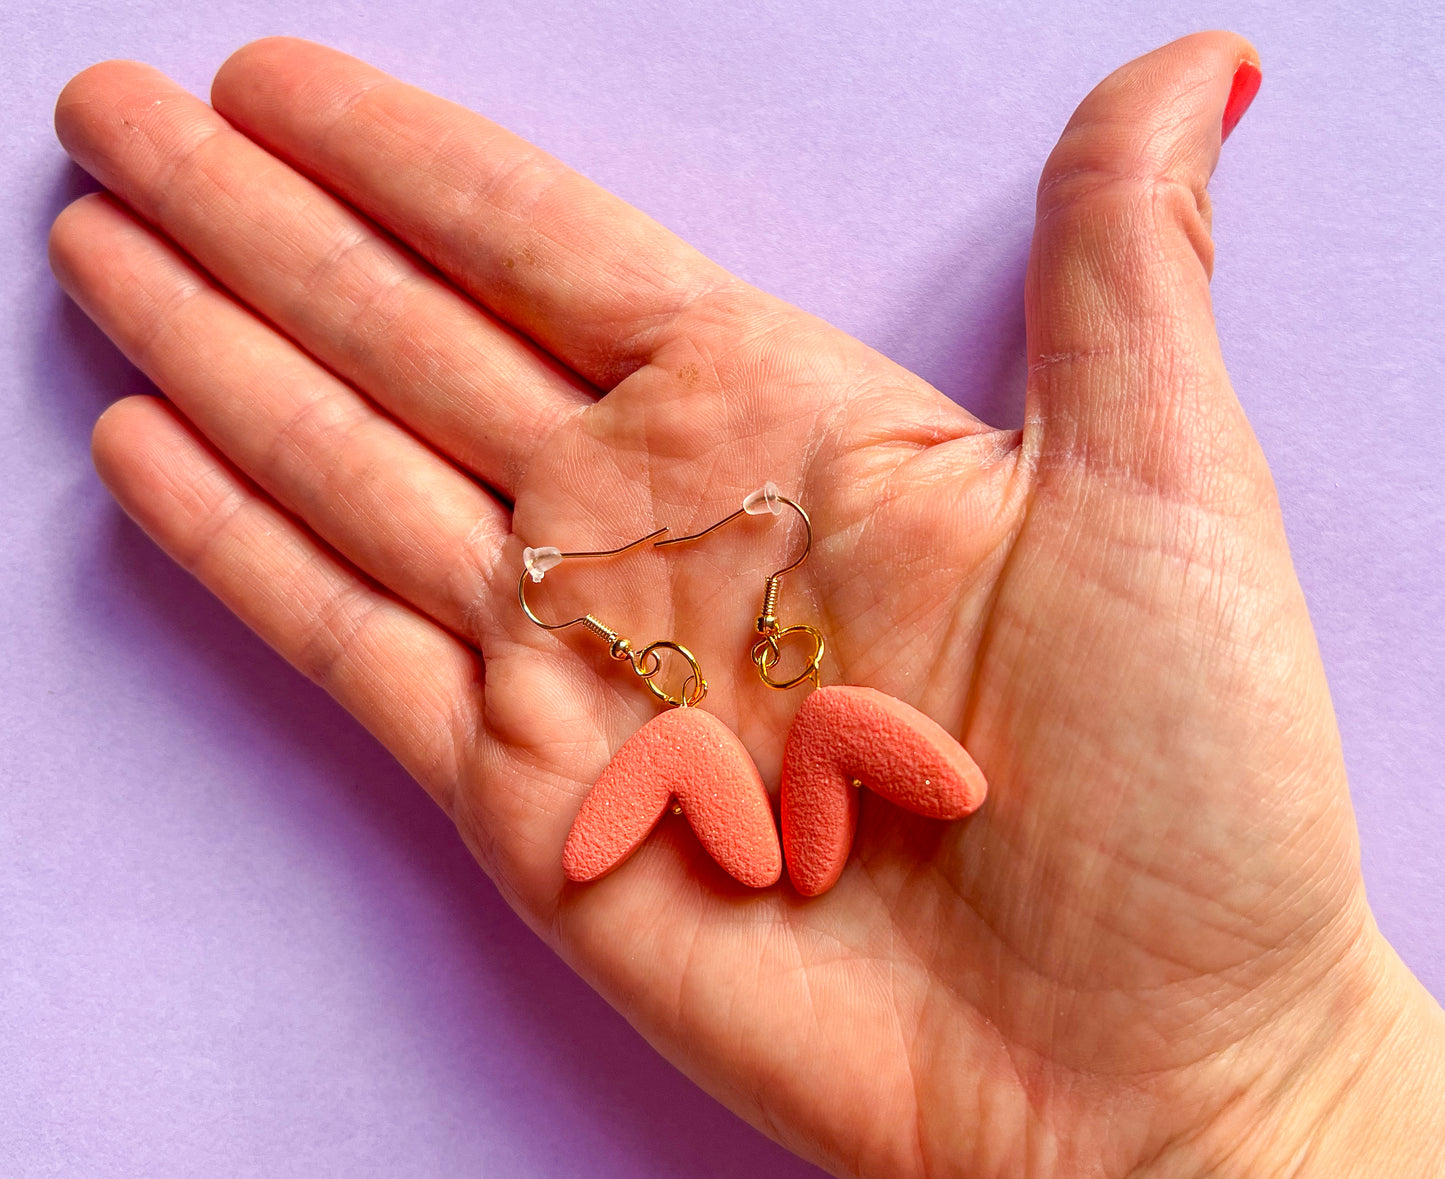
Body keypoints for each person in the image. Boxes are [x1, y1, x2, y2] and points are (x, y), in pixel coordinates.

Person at [49, 30, 1444, 1177]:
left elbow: (855, 812)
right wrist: (1283, 1101)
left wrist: (1279, 1085)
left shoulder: (804, 713)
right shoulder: (745, 721)